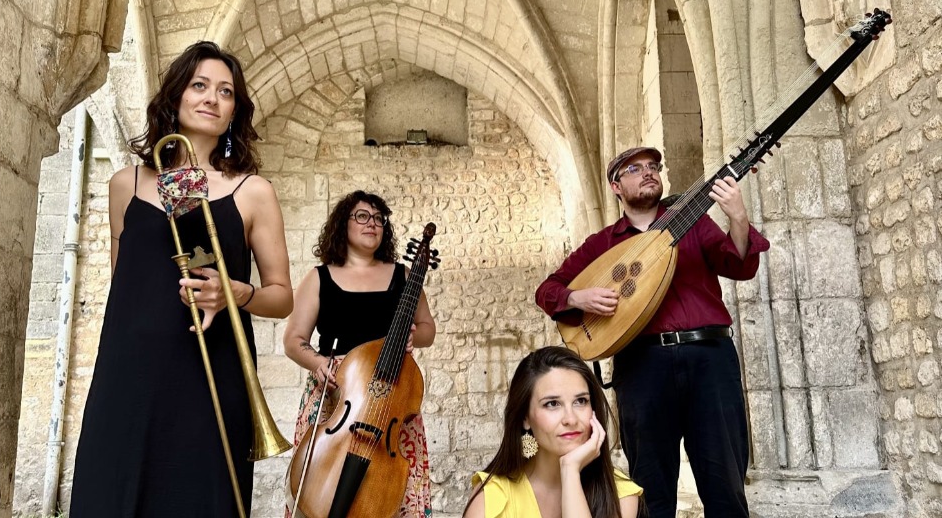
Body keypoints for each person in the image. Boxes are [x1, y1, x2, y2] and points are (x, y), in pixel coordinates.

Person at [70, 41, 294, 517]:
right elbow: (124, 289)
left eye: (226, 92)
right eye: (199, 85)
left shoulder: (253, 192)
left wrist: (234, 292)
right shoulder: (125, 185)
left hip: (209, 377)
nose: (212, 98)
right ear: (176, 96)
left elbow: (281, 298)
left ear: (234, 111)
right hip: (127, 377)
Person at [535, 146, 770, 518]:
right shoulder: (602, 244)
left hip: (709, 359)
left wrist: (738, 216)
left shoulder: (693, 224)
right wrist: (579, 297)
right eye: (634, 169)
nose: (647, 172)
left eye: (652, 166)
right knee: (651, 489)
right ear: (616, 186)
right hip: (642, 366)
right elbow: (547, 291)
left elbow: (739, 266)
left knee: (725, 483)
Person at [282, 190, 437, 517]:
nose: (373, 224)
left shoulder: (404, 276)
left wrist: (412, 336)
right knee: (319, 491)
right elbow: (294, 340)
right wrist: (318, 363)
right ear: (343, 224)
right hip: (338, 391)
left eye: (379, 219)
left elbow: (427, 329)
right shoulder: (319, 277)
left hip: (390, 395)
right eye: (363, 216)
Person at [464, 346, 642, 518]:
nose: (571, 419)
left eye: (581, 401)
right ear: (525, 418)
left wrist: (570, 471)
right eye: (552, 404)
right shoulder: (491, 498)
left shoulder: (620, 494)